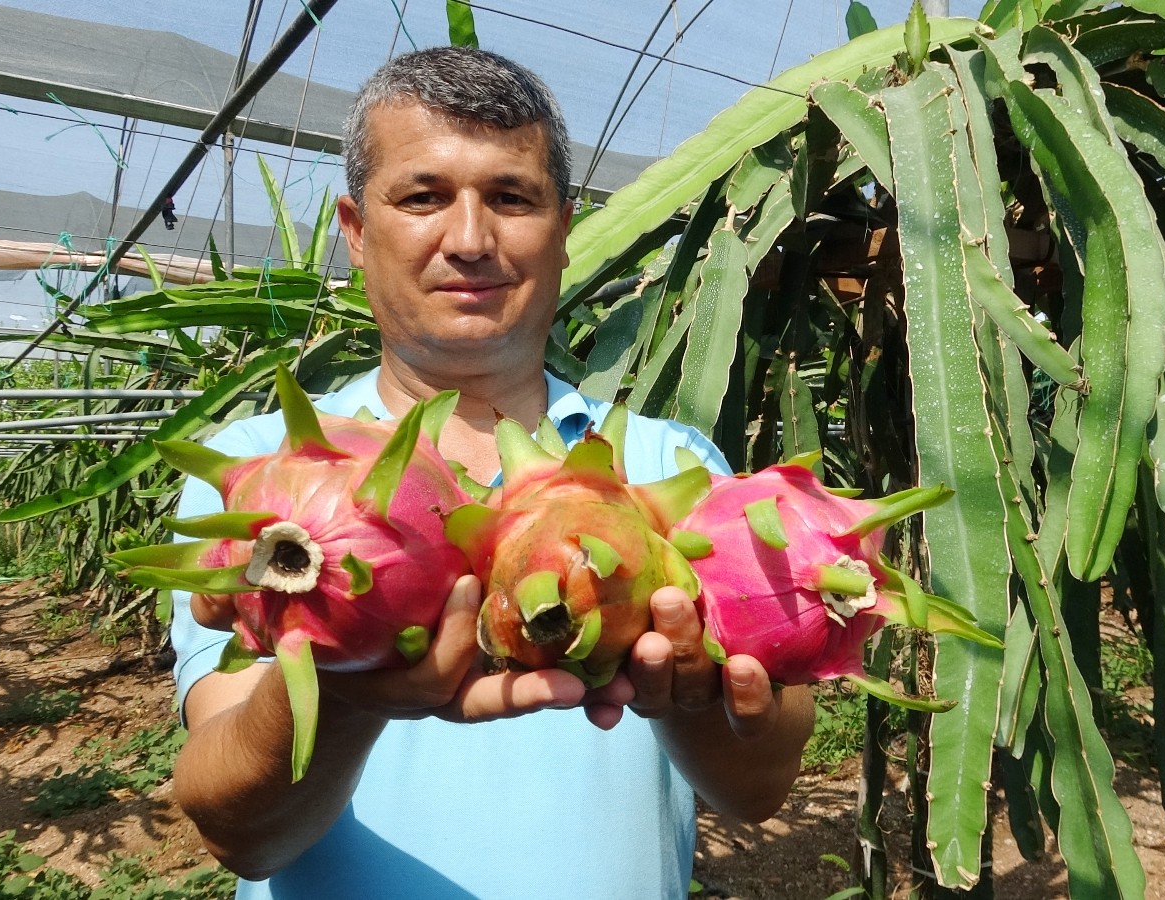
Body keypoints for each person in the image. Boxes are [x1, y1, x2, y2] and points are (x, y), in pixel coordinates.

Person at [167, 46, 814, 900]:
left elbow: (757, 788)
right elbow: (237, 832)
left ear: (564, 230)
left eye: (511, 198)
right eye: (423, 197)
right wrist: (350, 694)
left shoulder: (676, 472)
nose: (470, 240)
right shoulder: (260, 478)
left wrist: (694, 702)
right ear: (357, 233)